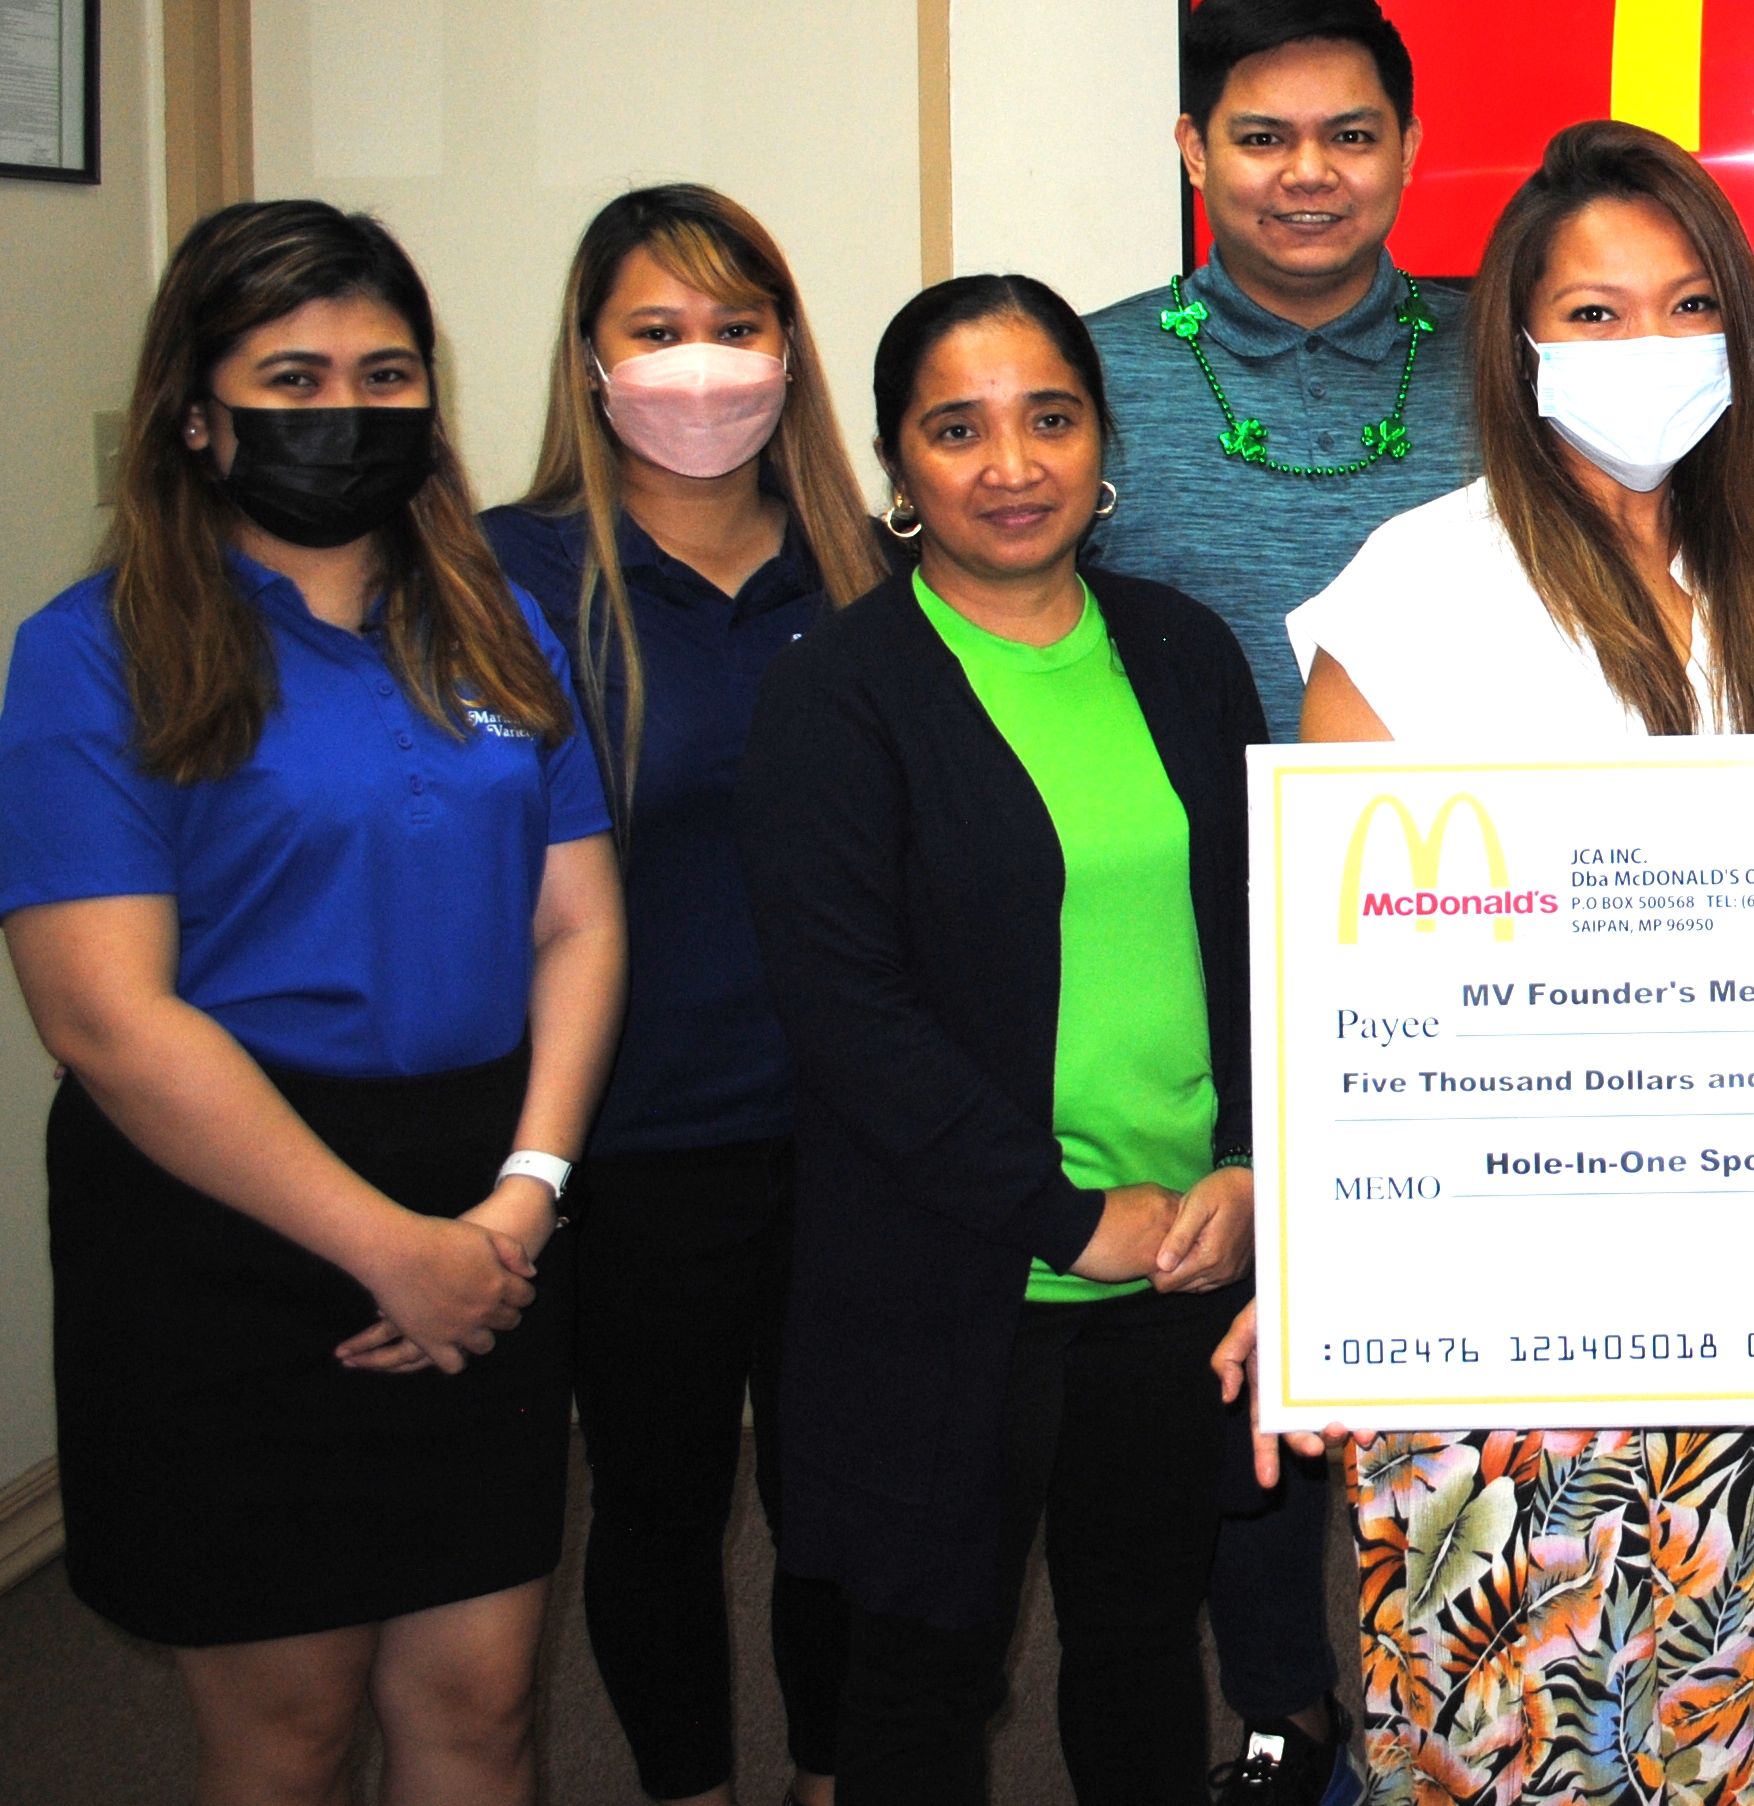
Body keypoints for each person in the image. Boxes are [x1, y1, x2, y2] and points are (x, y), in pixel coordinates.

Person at [1216, 117, 1754, 1806]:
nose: (1645, 348)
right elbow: (1334, 968)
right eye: (1593, 312)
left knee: (1706, 1740)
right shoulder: (1419, 587)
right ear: (1517, 341)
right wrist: (1318, 1256)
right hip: (1475, 1289)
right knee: (1501, 1745)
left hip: (1712, 1279)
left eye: (1684, 304)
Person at [0, 200, 623, 1806]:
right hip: (226, 1218)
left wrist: (520, 1202)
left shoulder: (496, 618)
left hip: (486, 1202)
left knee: (481, 1706)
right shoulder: (97, 652)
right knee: (286, 1731)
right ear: (197, 414)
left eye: (385, 370)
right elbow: (106, 1019)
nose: (344, 410)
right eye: (291, 377)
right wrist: (385, 1247)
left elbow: (579, 923)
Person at [737, 276, 1264, 1805]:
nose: (1013, 464)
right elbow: (850, 1019)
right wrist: (1061, 1216)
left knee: (1145, 1641)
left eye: (1050, 418)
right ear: (898, 470)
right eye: (957, 430)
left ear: (1104, 446)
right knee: (922, 1675)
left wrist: (1248, 1168)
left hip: (1177, 1258)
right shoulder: (837, 694)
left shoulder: (1183, 652)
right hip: (957, 1274)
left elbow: (1257, 934)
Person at [1082, 0, 1479, 1797]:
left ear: (1406, 148)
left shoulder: (1504, 356)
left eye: (1348, 135)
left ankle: (1462, 1679)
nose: (1305, 173)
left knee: (1439, 1311)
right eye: (1259, 137)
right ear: (1189, 147)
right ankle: (1279, 1696)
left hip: (1458, 932)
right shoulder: (1093, 372)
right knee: (1233, 1331)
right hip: (1185, 940)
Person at [487, 185, 891, 1806]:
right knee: (652, 1507)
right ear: (591, 361)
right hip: (630, 1141)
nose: (702, 366)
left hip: (851, 1137)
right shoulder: (506, 576)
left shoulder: (865, 569)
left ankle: (823, 1771)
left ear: (789, 355)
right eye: (658, 332)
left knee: (841, 1502)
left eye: (737, 328)